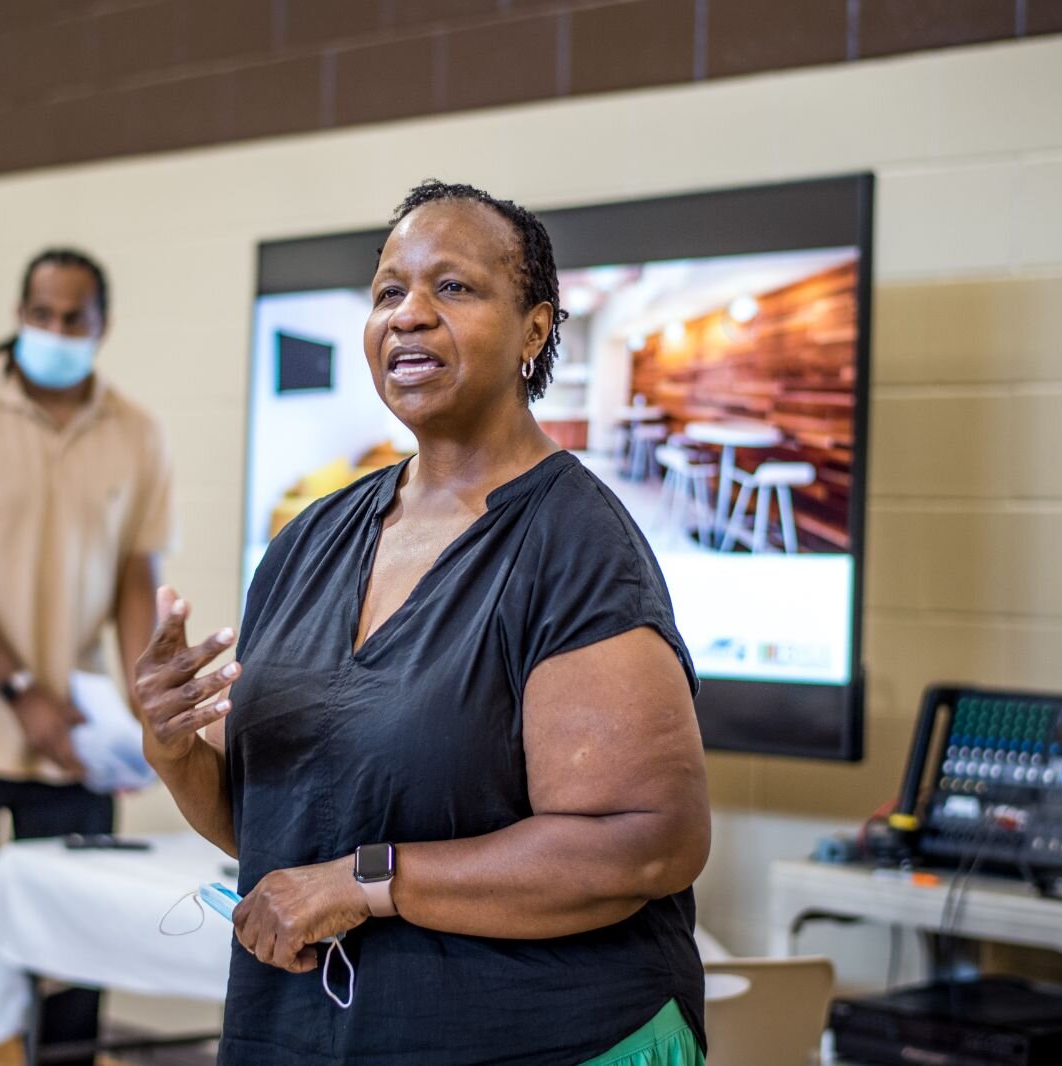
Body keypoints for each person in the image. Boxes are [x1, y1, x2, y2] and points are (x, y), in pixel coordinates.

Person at [134, 182, 712, 1065]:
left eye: (454, 288)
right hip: (304, 1034)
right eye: (388, 291)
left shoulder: (574, 543)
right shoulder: (309, 541)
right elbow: (282, 836)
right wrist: (175, 750)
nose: (409, 315)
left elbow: (643, 845)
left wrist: (368, 883)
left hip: (536, 1041)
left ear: (534, 331)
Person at [0, 248, 175, 1066]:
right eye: (39, 315)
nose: (53, 331)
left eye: (71, 318)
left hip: (74, 747)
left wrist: (142, 706)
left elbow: (133, 577)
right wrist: (20, 691)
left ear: (101, 326)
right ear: (19, 316)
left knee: (74, 969)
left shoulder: (136, 432)